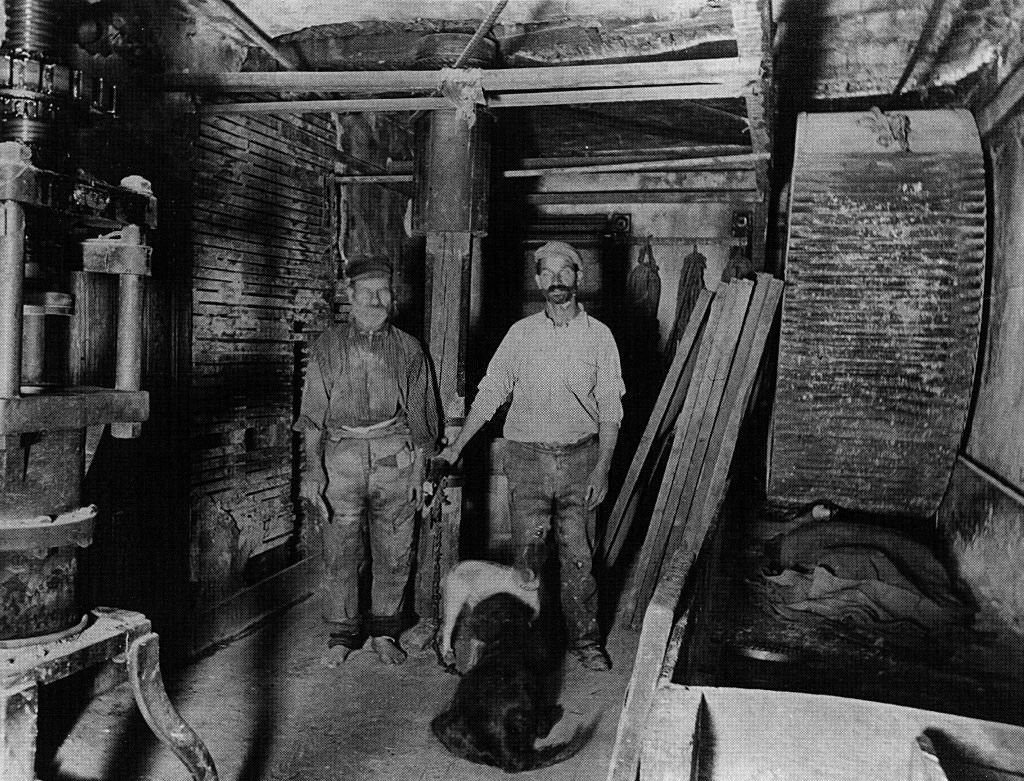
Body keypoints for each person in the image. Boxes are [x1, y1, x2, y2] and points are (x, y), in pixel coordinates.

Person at [439, 240, 625, 671]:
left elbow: (611, 409)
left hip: (581, 457)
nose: (556, 280)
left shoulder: (600, 337)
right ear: (539, 280)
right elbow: (490, 395)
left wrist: (604, 466)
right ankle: (530, 644)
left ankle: (585, 641)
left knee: (578, 554)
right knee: (528, 558)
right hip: (526, 458)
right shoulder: (521, 335)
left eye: (565, 271)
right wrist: (456, 447)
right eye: (548, 273)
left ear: (579, 278)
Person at [295, 255, 440, 667]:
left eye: (384, 291)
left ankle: (384, 633)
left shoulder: (410, 349)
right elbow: (312, 415)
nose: (377, 300)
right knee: (339, 549)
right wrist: (312, 470)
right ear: (350, 295)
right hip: (340, 457)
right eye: (367, 292)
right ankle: (342, 634)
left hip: (395, 454)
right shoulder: (328, 346)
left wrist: (419, 469)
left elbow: (422, 416)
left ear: (392, 296)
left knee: (395, 548)